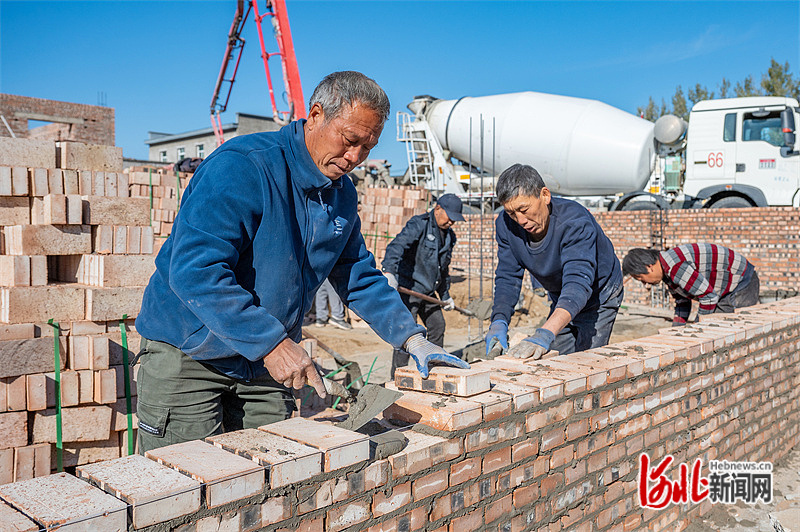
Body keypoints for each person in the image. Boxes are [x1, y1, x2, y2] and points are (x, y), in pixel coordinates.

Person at [134, 71, 468, 452]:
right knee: (183, 486)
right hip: (191, 354)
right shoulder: (243, 167)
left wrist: (411, 337)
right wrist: (272, 343)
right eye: (350, 140)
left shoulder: (340, 196)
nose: (355, 157)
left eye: (368, 147)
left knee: (268, 479)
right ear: (315, 114)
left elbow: (357, 274)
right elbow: (195, 270)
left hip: (261, 367)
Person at [485, 164, 624, 360]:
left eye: (524, 209)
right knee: (557, 357)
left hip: (600, 292)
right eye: (511, 213)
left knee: (587, 362)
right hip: (562, 293)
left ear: (545, 195)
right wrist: (499, 320)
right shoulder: (506, 225)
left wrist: (545, 333)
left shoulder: (573, 221)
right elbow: (508, 277)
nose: (520, 220)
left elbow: (578, 282)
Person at [381, 194, 464, 376]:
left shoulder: (450, 237)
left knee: (437, 326)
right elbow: (397, 246)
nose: (451, 222)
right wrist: (389, 272)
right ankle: (399, 376)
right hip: (408, 290)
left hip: (427, 291)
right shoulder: (419, 224)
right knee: (406, 334)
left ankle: (434, 370)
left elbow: (443, 270)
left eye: (454, 219)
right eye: (449, 216)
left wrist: (445, 296)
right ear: (438, 209)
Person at [622, 244, 760, 325]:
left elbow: (708, 297)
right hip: (723, 289)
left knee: (724, 328)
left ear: (649, 266)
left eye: (641, 278)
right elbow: (682, 302)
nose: (645, 283)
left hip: (741, 283)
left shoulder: (675, 266)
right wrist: (676, 330)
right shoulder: (667, 272)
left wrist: (698, 326)